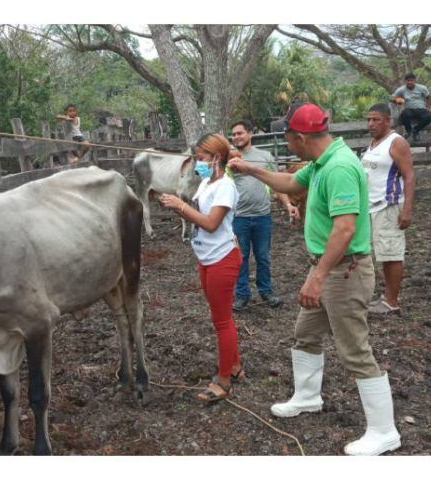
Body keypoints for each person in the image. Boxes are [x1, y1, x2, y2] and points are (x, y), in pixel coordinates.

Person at [227, 104, 401, 456]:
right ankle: (307, 397)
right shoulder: (322, 162)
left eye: (289, 139)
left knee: (355, 350)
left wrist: (318, 278)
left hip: (343, 271)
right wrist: (250, 169)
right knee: (306, 334)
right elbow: (290, 182)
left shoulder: (337, 167)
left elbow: (346, 228)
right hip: (327, 267)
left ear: (300, 138)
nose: (287, 145)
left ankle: (385, 431)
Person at [160, 133, 244, 403]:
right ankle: (234, 365)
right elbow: (195, 214)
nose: (198, 162)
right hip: (206, 257)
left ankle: (223, 380)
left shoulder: (226, 187)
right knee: (220, 317)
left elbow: (210, 223)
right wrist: (174, 205)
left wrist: (181, 205)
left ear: (216, 158)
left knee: (222, 321)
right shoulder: (207, 183)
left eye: (201, 157)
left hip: (222, 258)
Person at [230, 119, 299, 312]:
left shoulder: (265, 156)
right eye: (233, 134)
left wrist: (287, 204)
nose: (236, 137)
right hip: (239, 218)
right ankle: (242, 295)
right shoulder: (230, 158)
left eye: (240, 133)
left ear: (250, 134)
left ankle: (266, 291)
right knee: (240, 257)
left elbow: (277, 183)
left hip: (262, 216)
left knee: (263, 256)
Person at [360, 104, 415, 317]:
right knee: (382, 254)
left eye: (375, 119)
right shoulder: (374, 143)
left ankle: (392, 302)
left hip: (389, 205)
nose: (371, 124)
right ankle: (385, 297)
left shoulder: (397, 142)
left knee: (392, 254)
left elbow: (409, 175)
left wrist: (407, 208)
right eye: (368, 119)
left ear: (387, 121)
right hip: (371, 206)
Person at [390, 73, 431, 143]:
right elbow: (391, 98)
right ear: (405, 81)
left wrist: (428, 107)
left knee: (430, 117)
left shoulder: (422, 88)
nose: (410, 82)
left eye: (412, 80)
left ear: (415, 81)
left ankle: (416, 130)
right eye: (408, 81)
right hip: (409, 109)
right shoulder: (401, 89)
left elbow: (428, 97)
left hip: (421, 109)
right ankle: (408, 130)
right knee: (405, 114)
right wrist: (398, 100)